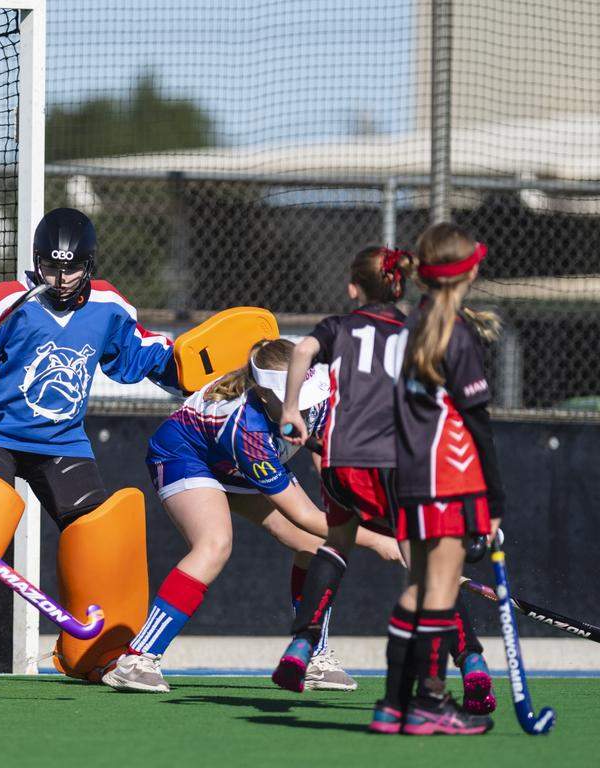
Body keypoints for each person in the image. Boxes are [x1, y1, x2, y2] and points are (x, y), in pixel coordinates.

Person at [0, 208, 181, 680]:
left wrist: (191, 368)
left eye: (70, 268)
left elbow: (143, 355)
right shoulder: (11, 298)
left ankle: (92, 650)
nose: (59, 278)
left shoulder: (110, 305)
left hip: (61, 441)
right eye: (50, 267)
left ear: (89, 264)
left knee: (100, 529)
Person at [102, 338, 403, 693]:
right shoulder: (247, 428)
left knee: (314, 545)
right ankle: (138, 659)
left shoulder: (319, 397)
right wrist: (379, 541)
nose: (301, 409)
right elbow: (303, 514)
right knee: (214, 544)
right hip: (185, 455)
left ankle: (312, 657)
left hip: (236, 464)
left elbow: (325, 455)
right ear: (263, 395)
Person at [272, 245, 497, 721]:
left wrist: (291, 409)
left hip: (340, 461)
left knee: (336, 545)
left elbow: (303, 352)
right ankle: (472, 660)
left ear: (354, 288)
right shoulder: (416, 331)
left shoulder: (338, 326)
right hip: (399, 464)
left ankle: (300, 645)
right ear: (400, 286)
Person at [376, 224, 503, 735]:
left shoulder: (413, 323)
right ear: (468, 270)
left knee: (417, 589)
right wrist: (495, 500)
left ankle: (392, 705)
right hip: (448, 479)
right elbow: (477, 423)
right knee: (441, 592)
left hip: (407, 475)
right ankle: (429, 702)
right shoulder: (457, 330)